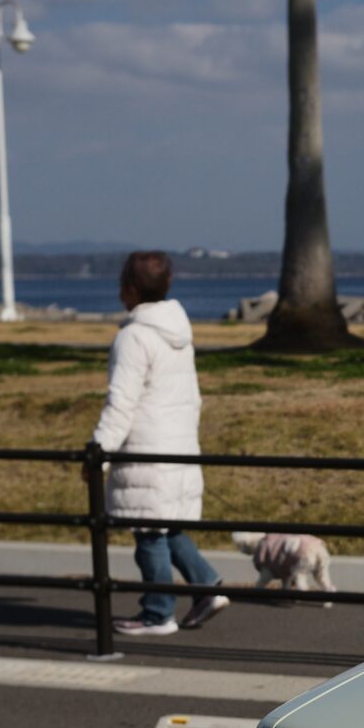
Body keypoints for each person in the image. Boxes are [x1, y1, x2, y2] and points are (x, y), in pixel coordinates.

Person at [91, 250, 230, 635]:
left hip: (146, 449)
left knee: (149, 534)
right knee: (167, 526)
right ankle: (207, 587)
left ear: (130, 289)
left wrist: (99, 451)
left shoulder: (133, 337)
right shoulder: (179, 333)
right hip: (178, 444)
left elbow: (122, 401)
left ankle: (158, 613)